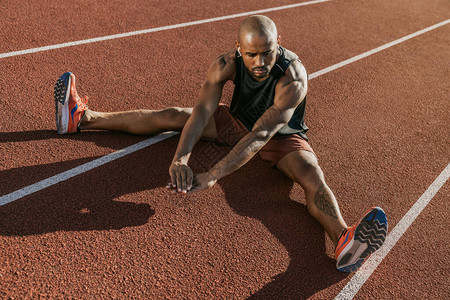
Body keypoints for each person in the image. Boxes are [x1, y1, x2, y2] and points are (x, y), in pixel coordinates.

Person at [53, 15, 388, 273]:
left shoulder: (293, 77)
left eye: (267, 53)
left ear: (279, 44)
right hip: (236, 124)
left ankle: (344, 239)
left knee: (311, 176)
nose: (259, 63)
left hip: (280, 137)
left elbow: (259, 137)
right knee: (174, 115)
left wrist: (212, 174)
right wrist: (180, 159)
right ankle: (80, 118)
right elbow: (201, 112)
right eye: (252, 54)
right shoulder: (225, 64)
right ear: (239, 49)